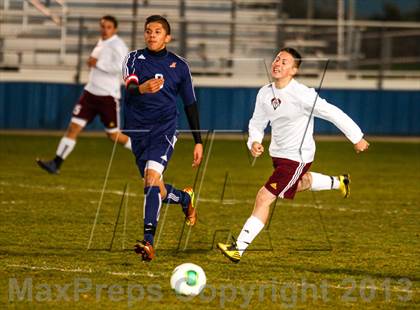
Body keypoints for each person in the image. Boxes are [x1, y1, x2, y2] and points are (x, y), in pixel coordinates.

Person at [217, 47, 370, 263]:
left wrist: (357, 137)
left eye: (285, 62)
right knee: (298, 183)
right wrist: (255, 141)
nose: (278, 63)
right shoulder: (265, 92)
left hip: (297, 157)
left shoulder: (303, 95)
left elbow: (332, 112)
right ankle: (339, 182)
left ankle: (238, 248)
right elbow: (257, 122)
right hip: (278, 155)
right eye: (277, 59)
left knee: (264, 196)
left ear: (294, 70)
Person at [122, 15, 203, 261]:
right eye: (148, 31)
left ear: (167, 37)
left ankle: (148, 241)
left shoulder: (179, 66)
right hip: (138, 131)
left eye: (157, 31)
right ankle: (184, 198)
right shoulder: (133, 58)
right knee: (156, 188)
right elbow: (130, 86)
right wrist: (142, 88)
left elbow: (190, 104)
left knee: (150, 180)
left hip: (164, 130)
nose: (151, 35)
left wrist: (198, 140)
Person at [36, 15, 131, 174]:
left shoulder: (118, 44)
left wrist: (98, 64)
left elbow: (122, 67)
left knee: (113, 136)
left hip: (107, 96)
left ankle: (143, 151)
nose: (104, 29)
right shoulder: (101, 43)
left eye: (108, 27)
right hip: (90, 93)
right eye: (102, 26)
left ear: (115, 29)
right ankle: (56, 163)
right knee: (73, 128)